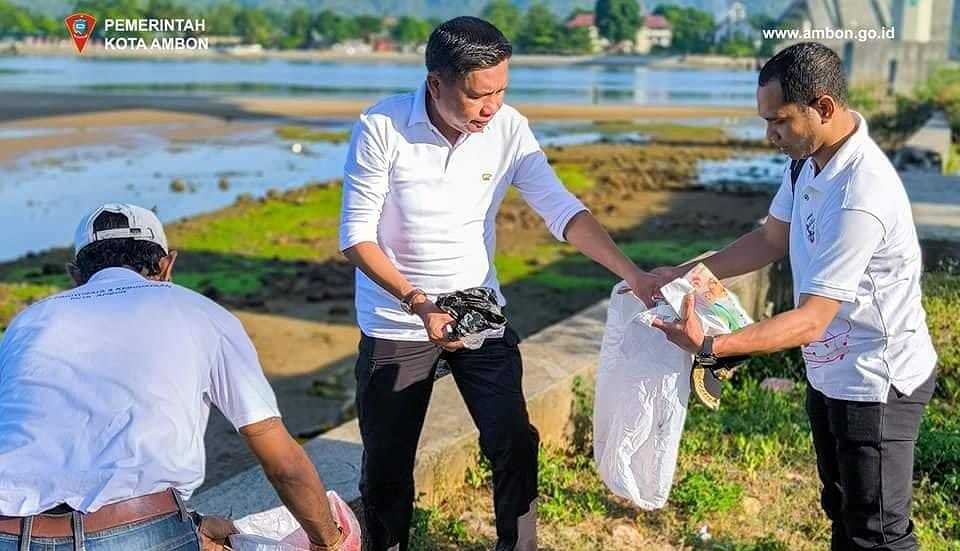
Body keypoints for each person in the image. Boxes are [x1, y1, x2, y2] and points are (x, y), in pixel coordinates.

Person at [338, 16, 659, 551]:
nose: (492, 107)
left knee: (513, 440)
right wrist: (418, 302)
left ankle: (519, 546)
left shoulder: (508, 127)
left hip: (478, 307)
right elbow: (355, 236)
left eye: (502, 90)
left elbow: (561, 209)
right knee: (387, 464)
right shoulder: (382, 126)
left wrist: (634, 274)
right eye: (478, 95)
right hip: (399, 317)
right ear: (436, 84)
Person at [652, 42, 938, 551]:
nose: (769, 136)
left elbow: (811, 320)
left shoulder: (860, 194)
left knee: (879, 532)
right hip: (831, 367)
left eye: (779, 121)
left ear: (823, 108)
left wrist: (713, 348)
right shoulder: (809, 162)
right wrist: (683, 273)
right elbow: (768, 240)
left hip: (876, 377)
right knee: (842, 509)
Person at [0, 204, 347, 550]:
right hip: (138, 533)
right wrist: (328, 541)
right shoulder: (202, 313)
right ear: (167, 265)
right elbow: (281, 460)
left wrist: (191, 523)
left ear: (76, 274)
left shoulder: (27, 323)